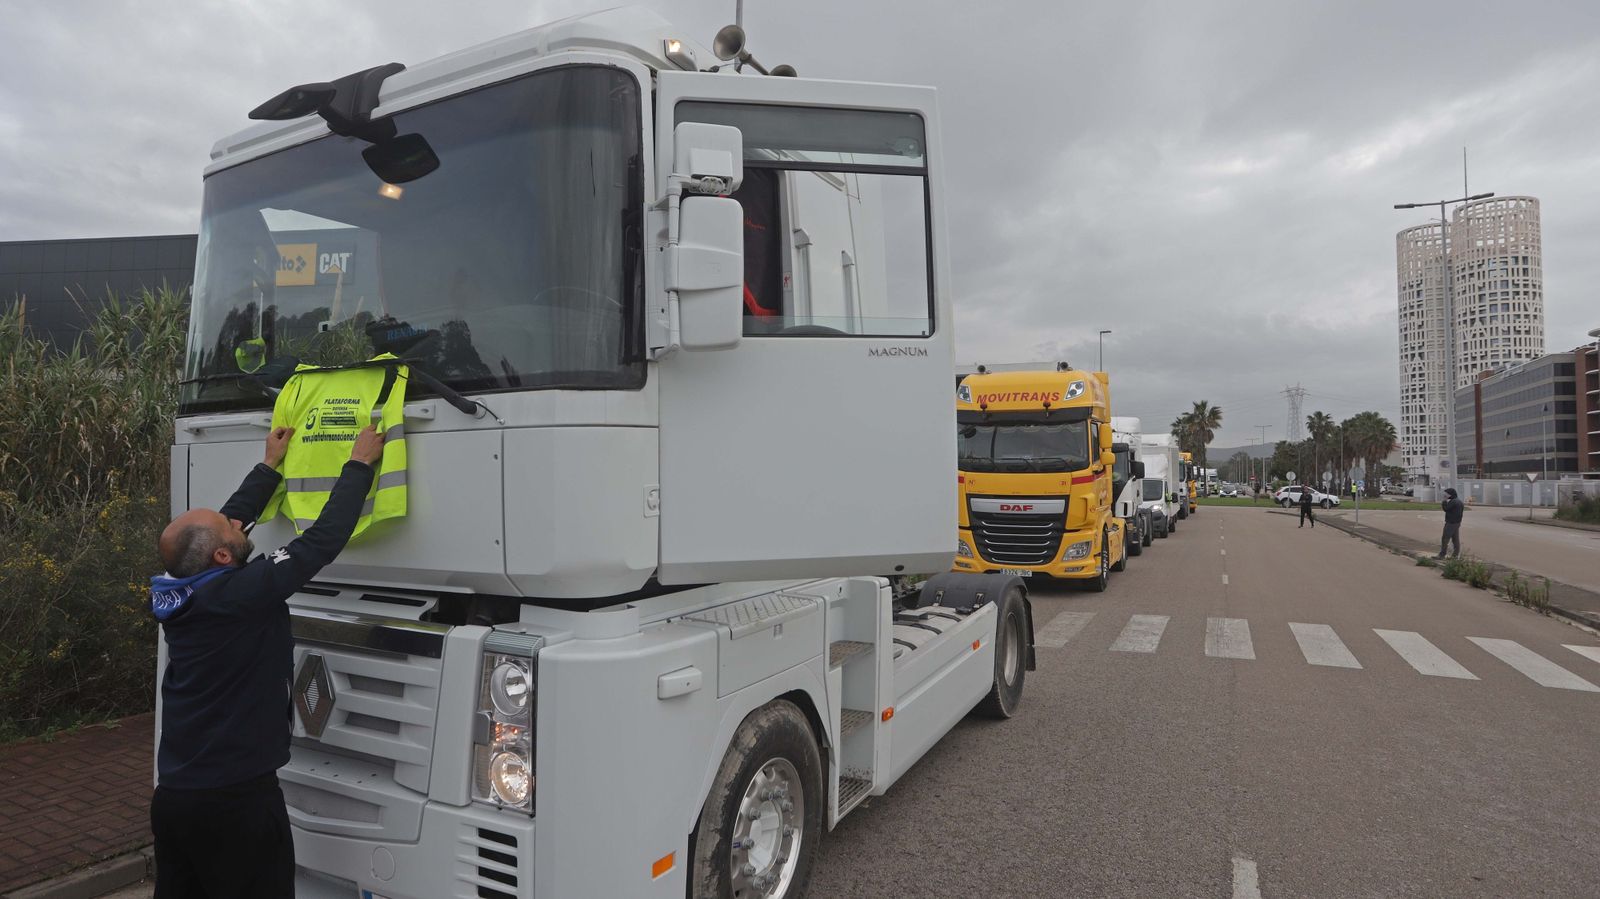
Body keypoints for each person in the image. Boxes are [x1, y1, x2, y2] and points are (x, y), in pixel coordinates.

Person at [148, 424, 384, 899]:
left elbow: (225, 525)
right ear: (221, 555)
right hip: (235, 804)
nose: (239, 523)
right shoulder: (241, 595)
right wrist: (359, 464)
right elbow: (318, 543)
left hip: (175, 800)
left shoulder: (180, 588)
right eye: (230, 529)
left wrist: (269, 467)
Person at [1438, 487, 1465, 559]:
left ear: (1450, 494)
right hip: (1457, 523)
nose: (1445, 495)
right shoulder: (1459, 501)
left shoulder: (1453, 502)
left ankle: (1442, 555)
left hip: (1451, 523)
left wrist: (1444, 501)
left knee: (1445, 539)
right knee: (1455, 540)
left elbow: (1446, 509)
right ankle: (1455, 556)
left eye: (1446, 494)